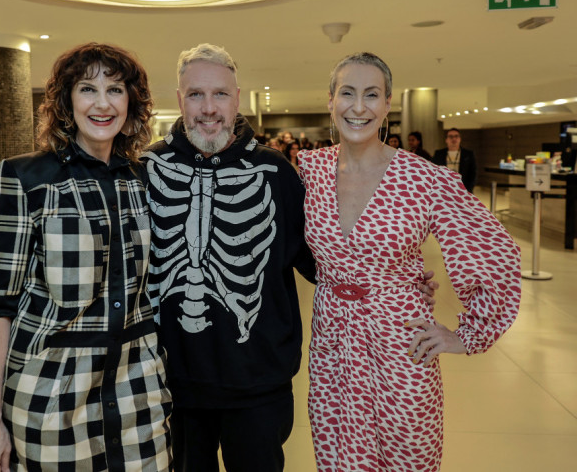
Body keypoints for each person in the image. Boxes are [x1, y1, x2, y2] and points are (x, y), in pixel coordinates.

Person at [142, 44, 437, 472]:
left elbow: (322, 257)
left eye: (220, 94)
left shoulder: (276, 170)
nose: (209, 108)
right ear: (179, 97)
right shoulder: (147, 169)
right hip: (174, 384)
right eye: (196, 95)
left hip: (259, 382)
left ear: (238, 97)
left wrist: (395, 277)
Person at [297, 52, 521, 472]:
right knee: (337, 452)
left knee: (409, 453)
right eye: (347, 93)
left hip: (401, 341)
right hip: (333, 344)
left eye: (371, 95)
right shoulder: (311, 169)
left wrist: (467, 335)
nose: (358, 107)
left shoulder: (425, 178)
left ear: (387, 103)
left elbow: (496, 252)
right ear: (330, 100)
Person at [0, 43, 171, 472]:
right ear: (66, 102)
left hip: (136, 380)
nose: (103, 103)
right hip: (53, 383)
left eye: (116, 90)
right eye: (88, 89)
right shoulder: (25, 177)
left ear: (131, 102)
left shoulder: (143, 179)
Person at [432, 128, 477, 192]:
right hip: (443, 189)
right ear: (446, 140)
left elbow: (473, 174)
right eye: (450, 136)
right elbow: (434, 171)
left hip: (463, 189)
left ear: (460, 139)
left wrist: (468, 191)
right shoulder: (439, 154)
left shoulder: (468, 154)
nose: (454, 139)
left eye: (456, 136)